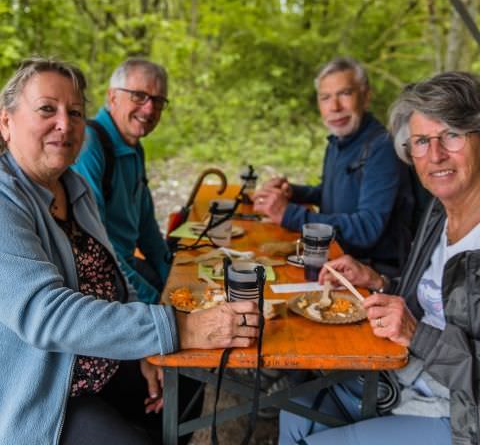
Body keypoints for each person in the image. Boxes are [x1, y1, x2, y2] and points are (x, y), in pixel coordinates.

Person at [0, 57, 259, 445]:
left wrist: (146, 346)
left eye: (74, 112)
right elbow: (46, 315)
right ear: (6, 122)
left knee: (183, 380)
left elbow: (115, 274)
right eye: (46, 109)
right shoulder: (7, 199)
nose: (65, 124)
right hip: (49, 385)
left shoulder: (72, 187)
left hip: (99, 355)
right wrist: (176, 327)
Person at [279, 71, 480, 445]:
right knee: (293, 411)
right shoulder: (439, 214)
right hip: (407, 373)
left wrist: (417, 336)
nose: (435, 155)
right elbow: (433, 298)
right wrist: (378, 281)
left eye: (451, 135)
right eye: (421, 141)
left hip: (462, 411)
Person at [253, 57, 414, 276]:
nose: (335, 107)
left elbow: (366, 228)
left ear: (366, 97)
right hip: (331, 257)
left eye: (345, 94)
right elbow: (332, 194)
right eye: (325, 98)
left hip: (368, 273)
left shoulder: (382, 147)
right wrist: (294, 192)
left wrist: (289, 214)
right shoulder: (338, 142)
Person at [73, 58, 171, 304]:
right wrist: (155, 303)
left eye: (157, 101)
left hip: (124, 263)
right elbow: (94, 248)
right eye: (139, 96)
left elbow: (147, 226)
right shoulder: (89, 145)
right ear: (113, 97)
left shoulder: (134, 147)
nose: (149, 109)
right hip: (93, 279)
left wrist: (174, 277)